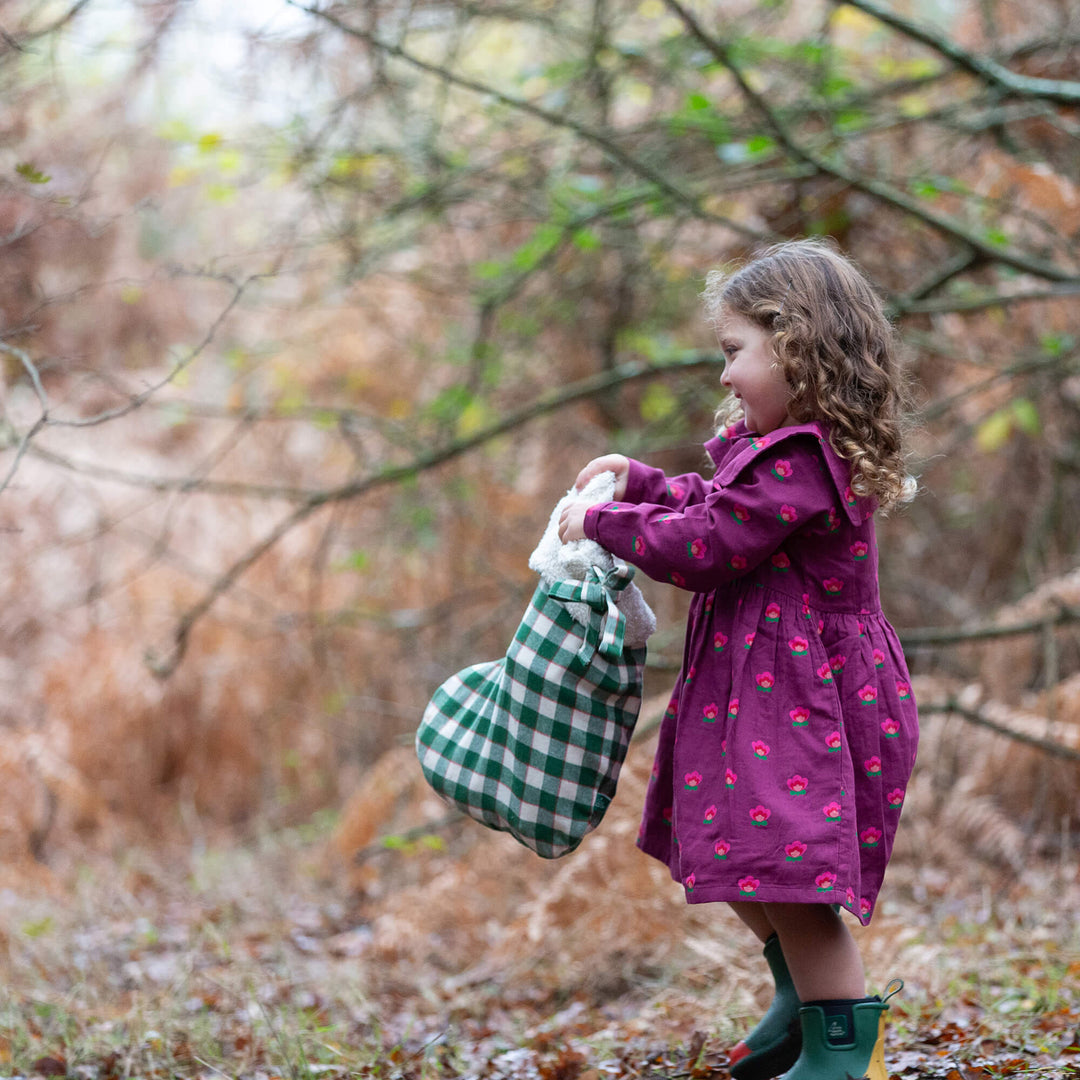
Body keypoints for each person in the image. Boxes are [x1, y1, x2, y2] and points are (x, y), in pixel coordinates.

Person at [557, 239, 918, 1080]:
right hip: (764, 693)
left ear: (796, 347)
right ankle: (801, 1001)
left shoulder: (808, 460)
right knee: (742, 852)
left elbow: (713, 542)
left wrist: (604, 523)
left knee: (791, 879)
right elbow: (712, 504)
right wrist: (642, 483)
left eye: (733, 351)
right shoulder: (780, 451)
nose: (723, 375)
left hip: (806, 704)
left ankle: (843, 1052)